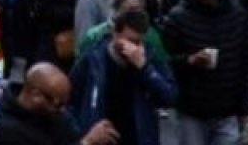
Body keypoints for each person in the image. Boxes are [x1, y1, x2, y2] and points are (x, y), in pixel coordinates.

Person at [162, 0, 248, 145]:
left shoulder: (237, 16)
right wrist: (189, 60)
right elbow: (165, 61)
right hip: (192, 110)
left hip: (227, 109)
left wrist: (244, 108)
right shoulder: (178, 18)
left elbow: (247, 64)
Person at [68, 10, 176, 145]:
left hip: (138, 137)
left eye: (139, 42)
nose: (134, 47)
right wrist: (83, 133)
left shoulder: (149, 57)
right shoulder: (92, 60)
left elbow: (168, 97)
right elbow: (71, 101)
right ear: (115, 33)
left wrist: (144, 68)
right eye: (129, 40)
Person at [0, 63, 118, 145]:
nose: (62, 110)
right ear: (36, 94)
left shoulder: (56, 116)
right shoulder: (4, 130)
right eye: (58, 104)